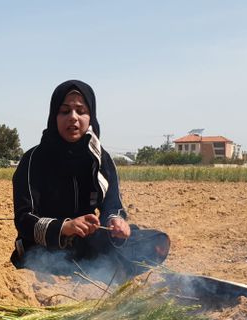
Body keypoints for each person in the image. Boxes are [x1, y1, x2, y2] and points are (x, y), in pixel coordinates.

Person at [11, 80, 169, 285]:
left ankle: (103, 270)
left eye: (80, 110)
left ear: (90, 116)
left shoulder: (101, 159)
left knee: (155, 241)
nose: (73, 118)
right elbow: (24, 220)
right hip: (46, 250)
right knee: (43, 259)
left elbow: (113, 205)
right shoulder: (33, 160)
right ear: (54, 116)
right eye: (65, 111)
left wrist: (116, 222)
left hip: (88, 245)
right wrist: (66, 227)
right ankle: (103, 271)